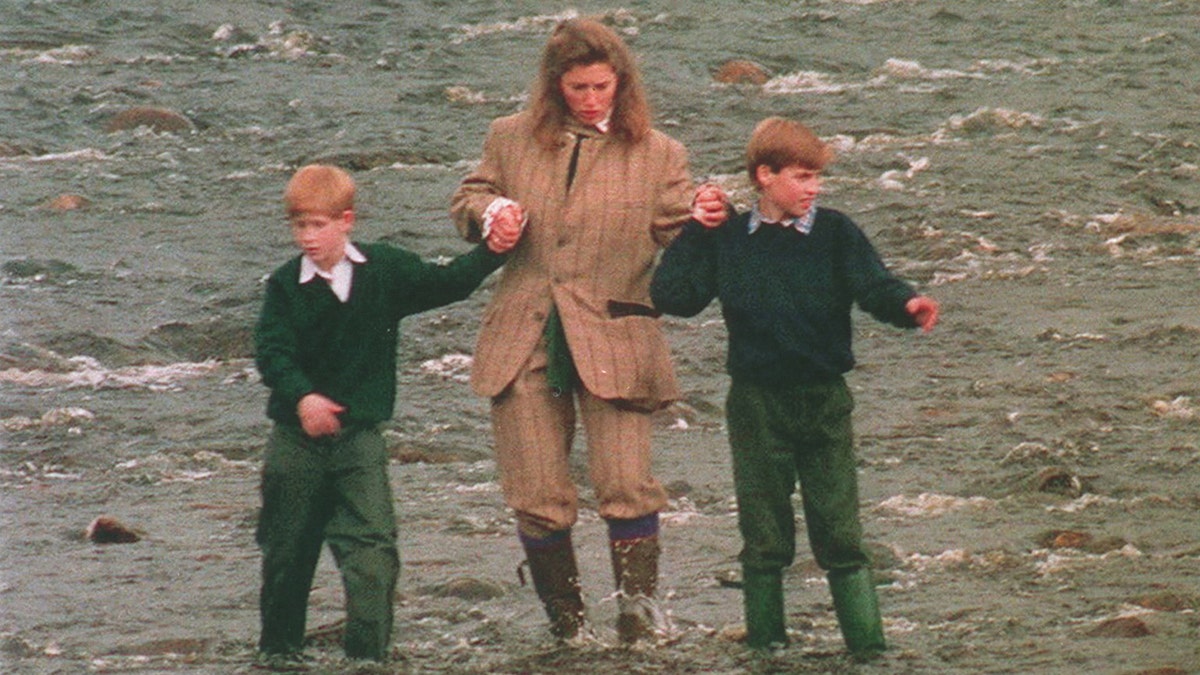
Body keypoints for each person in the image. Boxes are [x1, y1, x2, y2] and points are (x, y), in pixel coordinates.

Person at [450, 18, 726, 644]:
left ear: (622, 83)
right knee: (537, 494)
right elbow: (471, 196)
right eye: (578, 87)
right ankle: (568, 629)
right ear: (555, 85)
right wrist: (490, 213)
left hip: (617, 336)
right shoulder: (509, 137)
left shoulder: (660, 153)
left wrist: (709, 216)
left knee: (626, 486)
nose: (592, 98)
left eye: (603, 86)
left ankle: (638, 618)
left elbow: (678, 227)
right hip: (524, 335)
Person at [650, 117, 939, 660]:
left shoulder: (836, 232)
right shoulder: (728, 238)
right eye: (803, 177)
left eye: (817, 177)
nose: (814, 188)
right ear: (765, 175)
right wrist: (695, 229)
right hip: (756, 405)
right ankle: (765, 653)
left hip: (825, 400)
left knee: (842, 537)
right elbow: (673, 296)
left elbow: (873, 285)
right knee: (764, 541)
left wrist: (907, 304)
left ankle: (869, 655)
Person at [253, 164, 509, 665]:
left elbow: (449, 282)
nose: (307, 237)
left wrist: (495, 250)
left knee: (373, 557)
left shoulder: (386, 270)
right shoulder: (285, 285)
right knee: (286, 561)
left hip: (359, 442)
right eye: (299, 226)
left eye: (317, 225)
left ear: (346, 221)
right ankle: (279, 659)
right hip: (294, 444)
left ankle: (368, 661)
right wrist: (303, 397)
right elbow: (271, 352)